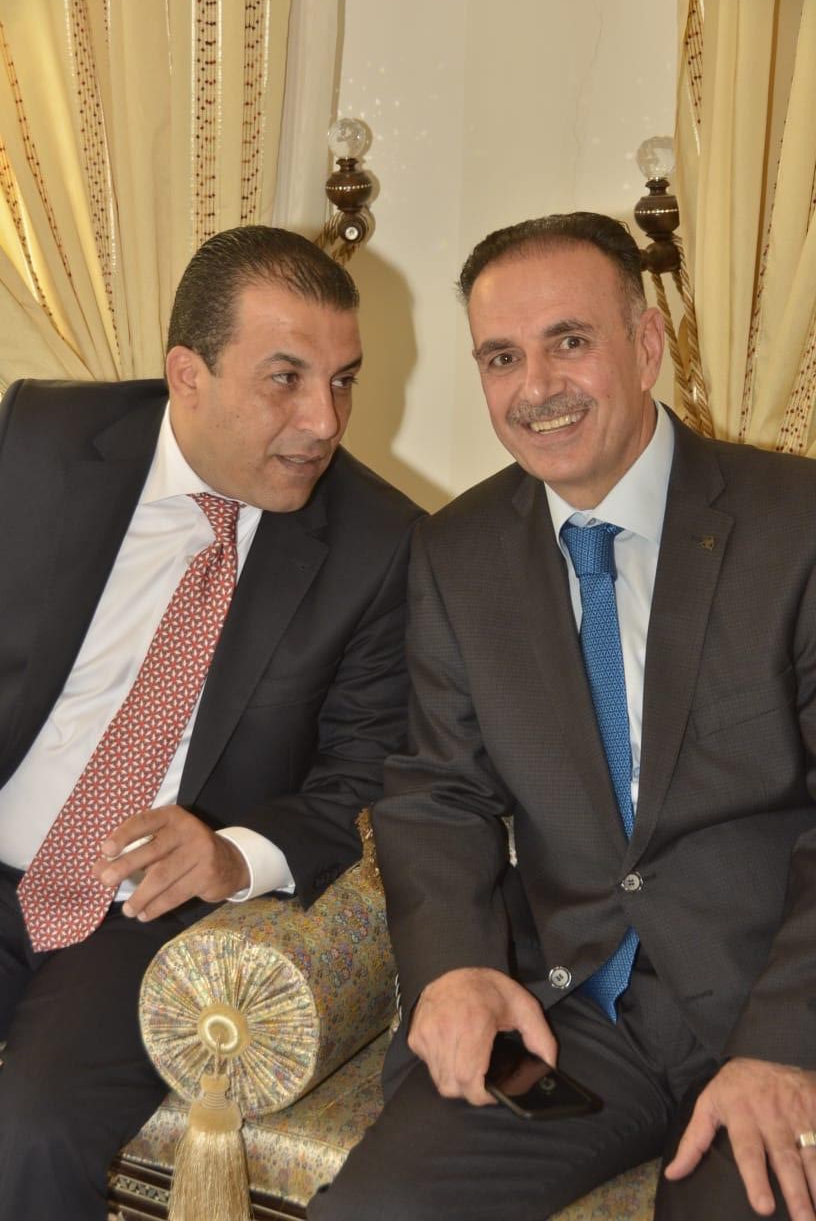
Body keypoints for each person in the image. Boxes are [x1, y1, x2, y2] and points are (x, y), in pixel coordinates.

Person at [310, 212, 816, 1221]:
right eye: (502, 357)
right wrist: (456, 967)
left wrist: (784, 1044)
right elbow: (438, 791)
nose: (535, 387)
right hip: (574, 1009)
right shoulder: (455, 552)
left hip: (773, 996)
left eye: (569, 341)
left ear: (646, 344)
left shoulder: (795, 523)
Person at [0, 224, 422, 1221]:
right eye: (286, 379)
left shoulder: (382, 545)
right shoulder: (40, 440)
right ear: (187, 374)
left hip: (140, 915)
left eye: (343, 381)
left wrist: (235, 854)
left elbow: (364, 772)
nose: (324, 421)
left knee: (32, 1132)